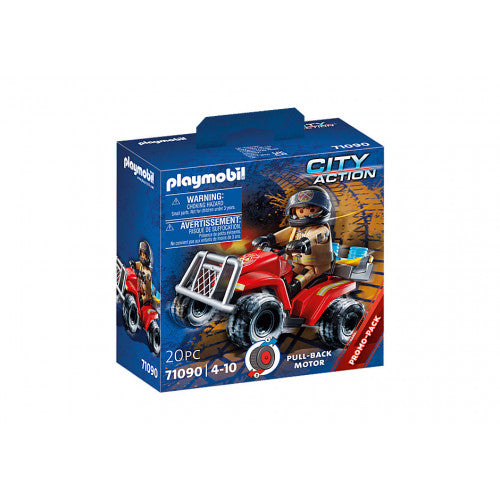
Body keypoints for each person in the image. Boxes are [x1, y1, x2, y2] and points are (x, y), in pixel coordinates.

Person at [252, 186, 334, 296]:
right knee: (287, 274)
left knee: (304, 276)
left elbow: (315, 237)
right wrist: (270, 239)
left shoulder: (322, 230)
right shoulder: (297, 228)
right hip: (297, 263)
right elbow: (283, 234)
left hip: (315, 267)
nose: (304, 214)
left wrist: (304, 242)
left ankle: (292, 289)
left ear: (322, 211)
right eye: (301, 210)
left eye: (311, 210)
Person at [130, 240, 153, 305]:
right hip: (140, 291)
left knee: (136, 305)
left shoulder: (147, 273)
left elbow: (148, 294)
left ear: (148, 257)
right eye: (142, 254)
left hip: (146, 297)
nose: (142, 257)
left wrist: (144, 277)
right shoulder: (141, 265)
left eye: (144, 255)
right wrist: (133, 264)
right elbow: (137, 264)